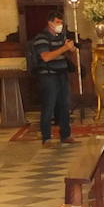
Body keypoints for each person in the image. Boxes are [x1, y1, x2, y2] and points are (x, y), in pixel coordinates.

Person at [29, 9, 75, 145]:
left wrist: (71, 50)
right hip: (48, 76)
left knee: (65, 105)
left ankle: (65, 135)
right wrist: (64, 49)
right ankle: (46, 137)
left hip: (62, 74)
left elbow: (65, 54)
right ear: (50, 23)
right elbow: (46, 57)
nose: (60, 24)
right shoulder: (41, 38)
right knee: (49, 106)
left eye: (61, 22)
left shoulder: (61, 37)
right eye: (57, 22)